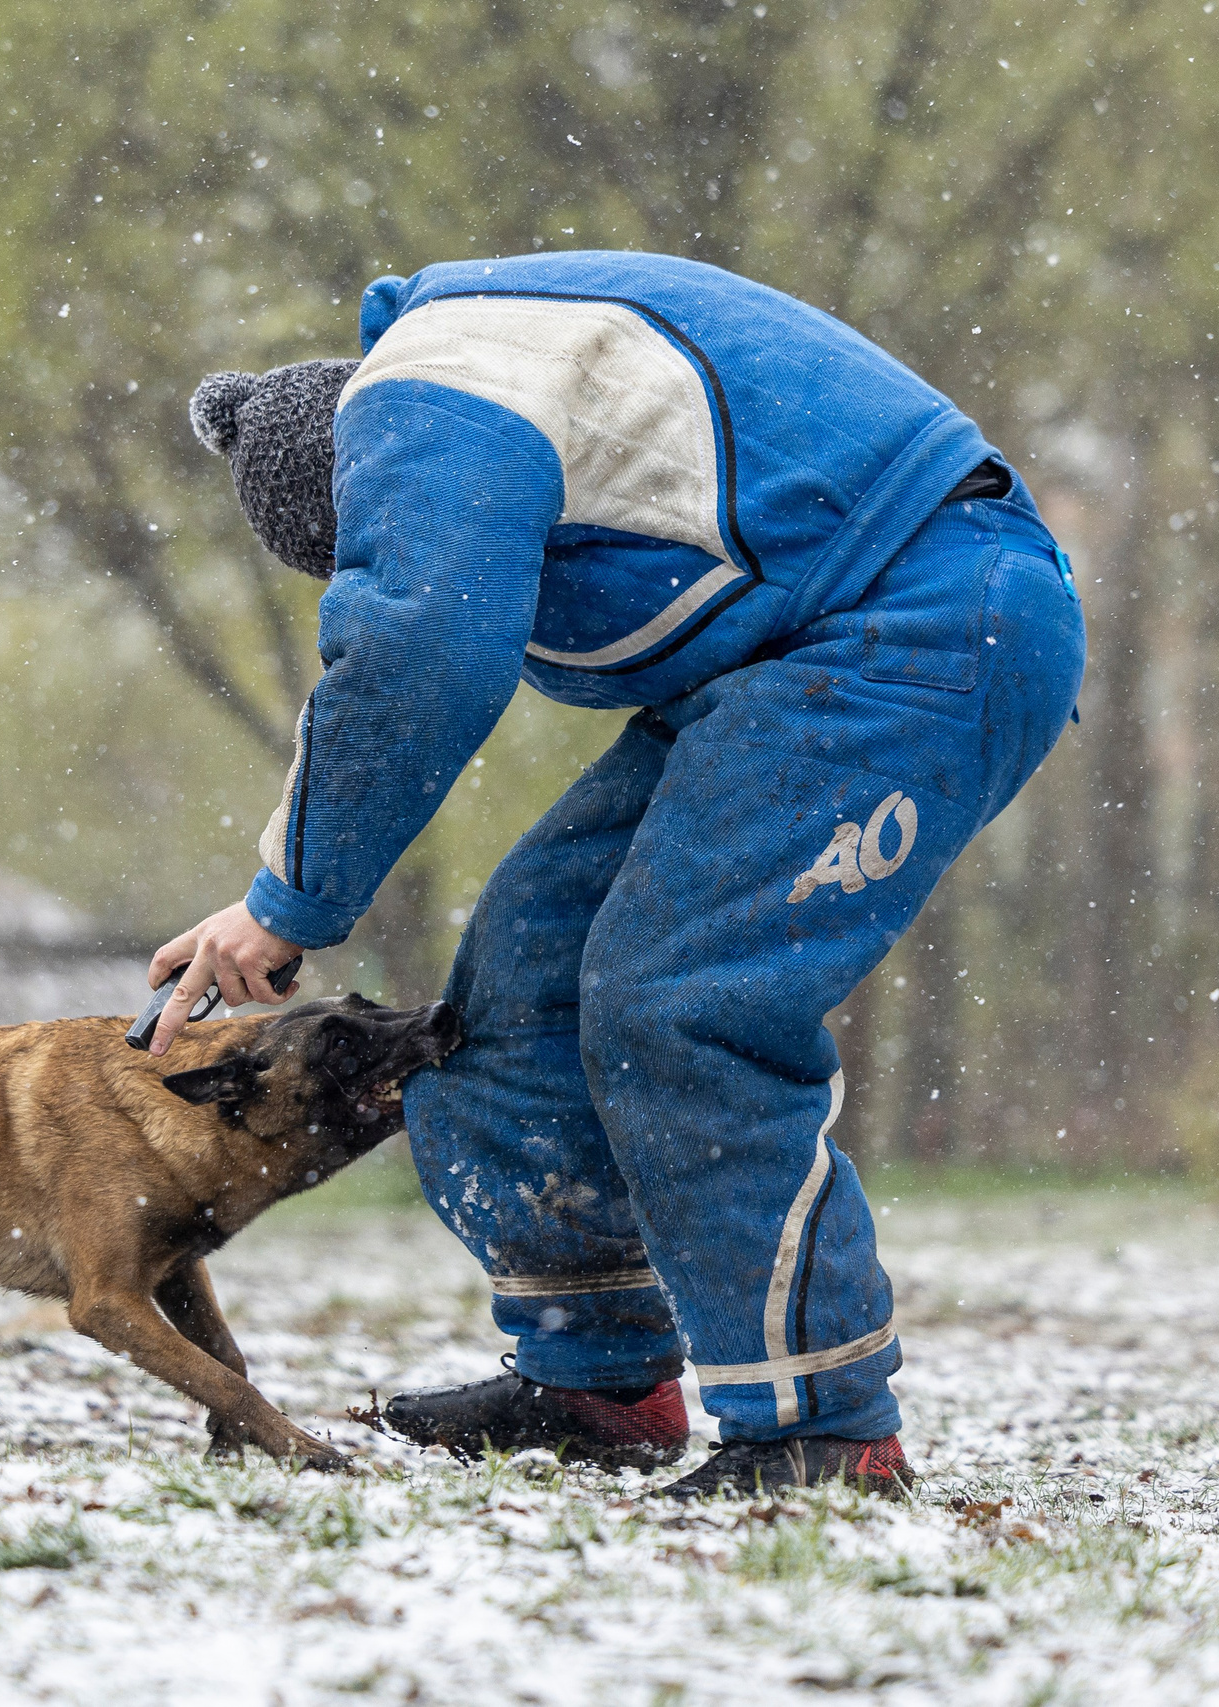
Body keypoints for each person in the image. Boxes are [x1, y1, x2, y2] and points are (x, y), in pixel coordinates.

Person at [144, 251, 1084, 1499]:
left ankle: (822, 1424)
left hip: (931, 615)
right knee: (523, 976)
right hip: (794, 650)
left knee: (679, 1001)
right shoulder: (493, 374)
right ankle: (595, 1380)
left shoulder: (419, 395)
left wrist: (287, 904)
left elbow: (417, 643)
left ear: (348, 486)